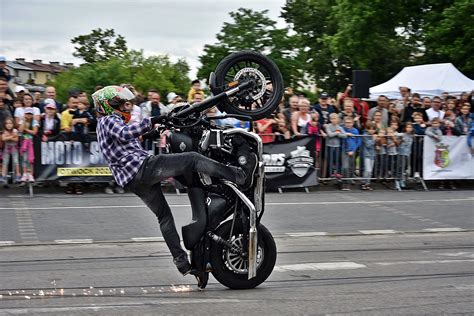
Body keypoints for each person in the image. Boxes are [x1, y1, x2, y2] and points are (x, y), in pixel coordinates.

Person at [93, 86, 256, 278]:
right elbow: (125, 134)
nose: (125, 107)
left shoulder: (105, 125)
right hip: (143, 169)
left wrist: (151, 133)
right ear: (108, 105)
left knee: (164, 217)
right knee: (193, 159)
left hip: (132, 180)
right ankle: (238, 176)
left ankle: (183, 263)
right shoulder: (107, 120)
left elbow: (127, 141)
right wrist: (154, 120)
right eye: (119, 104)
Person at [341, 117, 361, 191]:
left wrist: (353, 150)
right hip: (344, 151)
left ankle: (349, 182)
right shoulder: (342, 129)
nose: (348, 124)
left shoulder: (355, 131)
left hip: (352, 151)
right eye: (346, 122)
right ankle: (344, 183)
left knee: (350, 167)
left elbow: (358, 141)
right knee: (345, 167)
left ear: (352, 123)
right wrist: (345, 133)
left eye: (349, 123)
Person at [19, 107, 38, 183]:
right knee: (24, 158)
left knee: (31, 159)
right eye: (27, 114)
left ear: (32, 114)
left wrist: (26, 129)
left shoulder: (34, 122)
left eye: (30, 114)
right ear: (25, 114)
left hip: (32, 143)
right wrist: (24, 121)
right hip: (23, 143)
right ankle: (24, 173)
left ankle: (30, 174)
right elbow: (20, 130)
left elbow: (34, 132)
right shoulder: (22, 121)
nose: (29, 115)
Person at [324, 113, 346, 178]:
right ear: (330, 119)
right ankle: (329, 174)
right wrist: (337, 132)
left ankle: (337, 173)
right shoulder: (328, 126)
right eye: (332, 119)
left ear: (338, 119)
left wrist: (337, 134)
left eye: (335, 118)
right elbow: (329, 134)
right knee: (329, 160)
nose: (334, 120)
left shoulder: (339, 127)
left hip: (337, 146)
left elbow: (344, 135)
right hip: (329, 146)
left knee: (337, 160)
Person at [0, 117, 20, 184]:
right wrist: (11, 137)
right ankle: (3, 176)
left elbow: (16, 139)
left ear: (13, 124)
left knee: (16, 162)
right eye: (7, 123)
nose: (9, 125)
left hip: (14, 148)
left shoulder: (15, 131)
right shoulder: (4, 131)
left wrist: (8, 137)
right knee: (5, 162)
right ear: (5, 125)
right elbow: (3, 139)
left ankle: (18, 175)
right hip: (6, 149)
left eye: (10, 123)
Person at [361, 122, 377, 190]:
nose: (371, 130)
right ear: (367, 129)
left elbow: (376, 145)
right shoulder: (365, 135)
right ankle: (364, 183)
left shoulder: (374, 135)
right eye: (370, 129)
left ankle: (368, 183)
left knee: (370, 170)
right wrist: (373, 139)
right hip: (367, 154)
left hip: (372, 154)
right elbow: (368, 145)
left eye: (373, 129)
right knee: (368, 170)